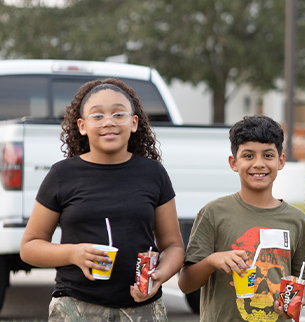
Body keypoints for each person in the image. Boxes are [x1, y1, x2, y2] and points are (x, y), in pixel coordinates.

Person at [20, 78, 184, 321]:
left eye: (119, 114)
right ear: (82, 125)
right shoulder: (62, 175)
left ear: (134, 122)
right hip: (75, 306)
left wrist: (159, 276)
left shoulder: (153, 173)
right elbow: (30, 247)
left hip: (142, 308)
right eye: (97, 116)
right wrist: (73, 254)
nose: (109, 122)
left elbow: (174, 246)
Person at [178, 115, 305, 322]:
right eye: (248, 156)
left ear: (280, 161)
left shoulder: (297, 221)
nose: (258, 164)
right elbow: (186, 284)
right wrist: (212, 260)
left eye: (268, 155)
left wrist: (294, 301)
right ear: (233, 163)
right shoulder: (213, 213)